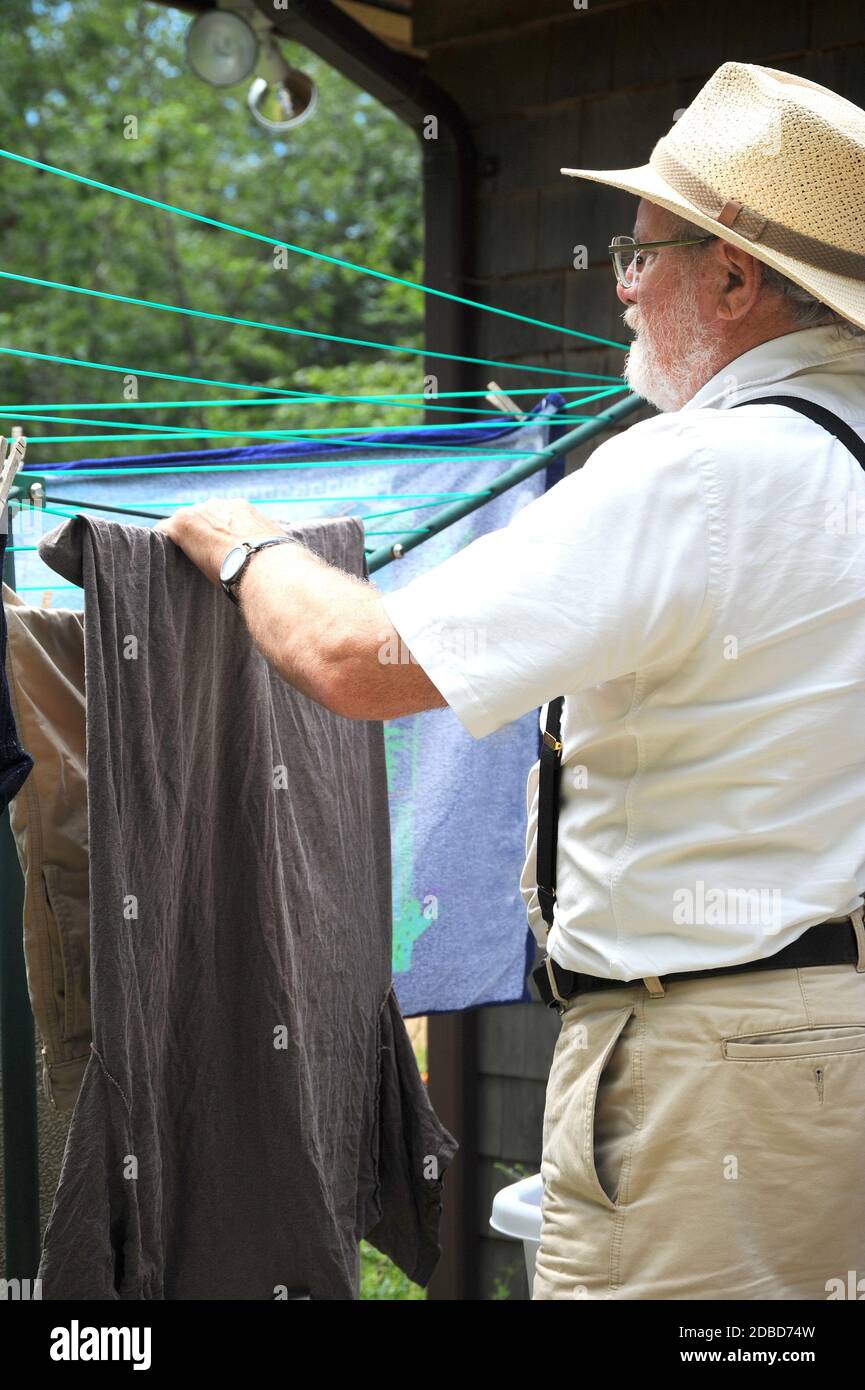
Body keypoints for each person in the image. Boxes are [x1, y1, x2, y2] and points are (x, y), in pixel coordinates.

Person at [159, 60, 865, 1300]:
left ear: (738, 280)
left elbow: (357, 660)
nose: (625, 289)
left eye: (640, 254)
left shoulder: (694, 470)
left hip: (714, 1065)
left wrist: (237, 543)